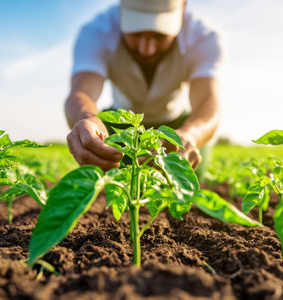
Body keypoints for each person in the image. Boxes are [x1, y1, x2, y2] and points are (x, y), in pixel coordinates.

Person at [65, 0, 224, 177]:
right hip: (119, 127)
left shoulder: (203, 37)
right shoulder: (96, 32)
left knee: (191, 178)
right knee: (106, 175)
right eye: (136, 33)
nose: (146, 49)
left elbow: (207, 102)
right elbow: (81, 92)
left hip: (177, 125)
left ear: (183, 6)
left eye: (160, 35)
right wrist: (88, 120)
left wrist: (191, 134)